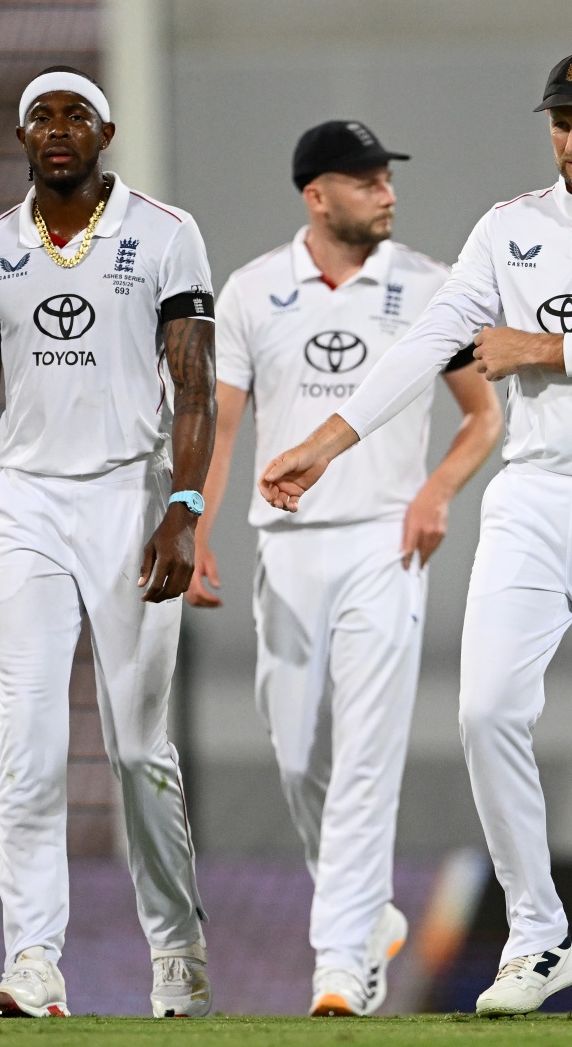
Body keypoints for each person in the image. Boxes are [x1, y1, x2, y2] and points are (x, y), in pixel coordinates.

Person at [256, 51, 572, 1022]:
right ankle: (539, 937)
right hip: (534, 491)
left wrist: (539, 349)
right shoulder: (509, 228)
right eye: (560, 120)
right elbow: (427, 342)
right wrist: (330, 441)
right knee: (485, 712)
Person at [185, 120, 502, 1016]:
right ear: (316, 196)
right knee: (294, 752)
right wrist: (196, 529)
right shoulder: (250, 292)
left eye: (387, 178)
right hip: (287, 548)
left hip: (383, 545)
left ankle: (339, 965)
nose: (387, 192)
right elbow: (222, 424)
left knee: (368, 750)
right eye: (365, 181)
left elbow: (484, 418)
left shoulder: (433, 288)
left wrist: (435, 491)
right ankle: (365, 913)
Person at [0, 67, 215, 1019]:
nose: (58, 130)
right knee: (29, 743)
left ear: (107, 132)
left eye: (76, 116)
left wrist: (183, 506)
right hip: (31, 507)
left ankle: (176, 951)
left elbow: (198, 386)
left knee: (136, 749)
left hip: (133, 497)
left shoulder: (165, 234)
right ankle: (35, 964)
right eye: (41, 117)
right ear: (21, 139)